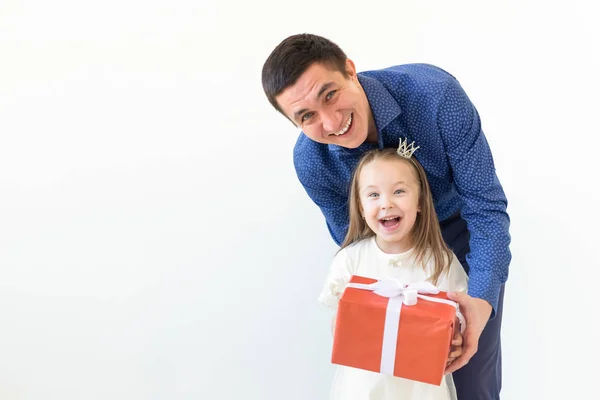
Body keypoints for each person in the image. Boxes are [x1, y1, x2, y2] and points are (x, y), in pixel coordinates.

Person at [261, 33, 511, 400]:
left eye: (329, 94)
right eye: (307, 116)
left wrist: (481, 302)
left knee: (468, 374)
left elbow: (485, 207)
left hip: (462, 236)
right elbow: (354, 238)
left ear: (350, 70)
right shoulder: (312, 163)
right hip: (385, 255)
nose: (331, 123)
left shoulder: (436, 97)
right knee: (389, 378)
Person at [318, 145, 467, 400]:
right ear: (362, 208)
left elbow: (460, 315)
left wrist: (455, 336)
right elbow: (338, 322)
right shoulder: (351, 260)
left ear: (419, 201)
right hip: (364, 388)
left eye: (399, 191)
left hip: (421, 389)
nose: (386, 203)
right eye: (373, 195)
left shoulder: (440, 261)